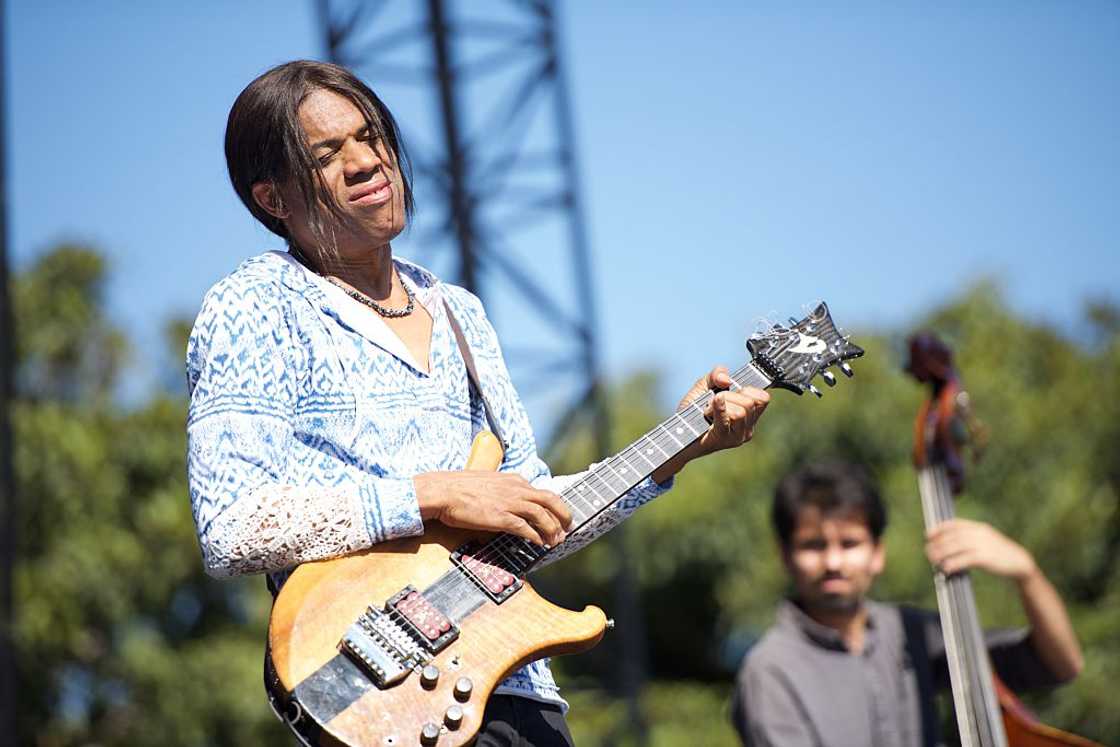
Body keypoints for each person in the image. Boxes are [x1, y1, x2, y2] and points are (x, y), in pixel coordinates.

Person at [187, 60, 771, 746]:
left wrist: (683, 442)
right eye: (327, 153)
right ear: (273, 198)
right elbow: (232, 526)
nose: (366, 160)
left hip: (516, 686)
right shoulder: (253, 305)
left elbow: (534, 514)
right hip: (384, 698)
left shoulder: (457, 310)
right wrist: (430, 495)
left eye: (369, 135)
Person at [730, 461, 1083, 747]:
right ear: (785, 557)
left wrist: (1027, 573)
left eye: (850, 543)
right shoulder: (770, 671)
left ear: (877, 553)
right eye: (814, 545)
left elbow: (1059, 664)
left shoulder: (910, 632)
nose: (833, 562)